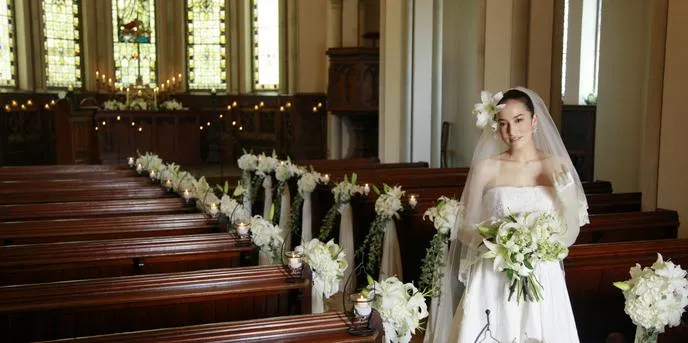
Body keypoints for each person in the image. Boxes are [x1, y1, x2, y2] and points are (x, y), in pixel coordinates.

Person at [423, 87, 589, 343]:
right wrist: (498, 240)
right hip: (494, 273)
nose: (511, 131)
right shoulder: (486, 169)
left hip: (543, 276)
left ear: (534, 120)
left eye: (519, 120)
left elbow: (570, 233)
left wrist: (536, 246)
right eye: (503, 123)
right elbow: (465, 228)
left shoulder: (557, 166)